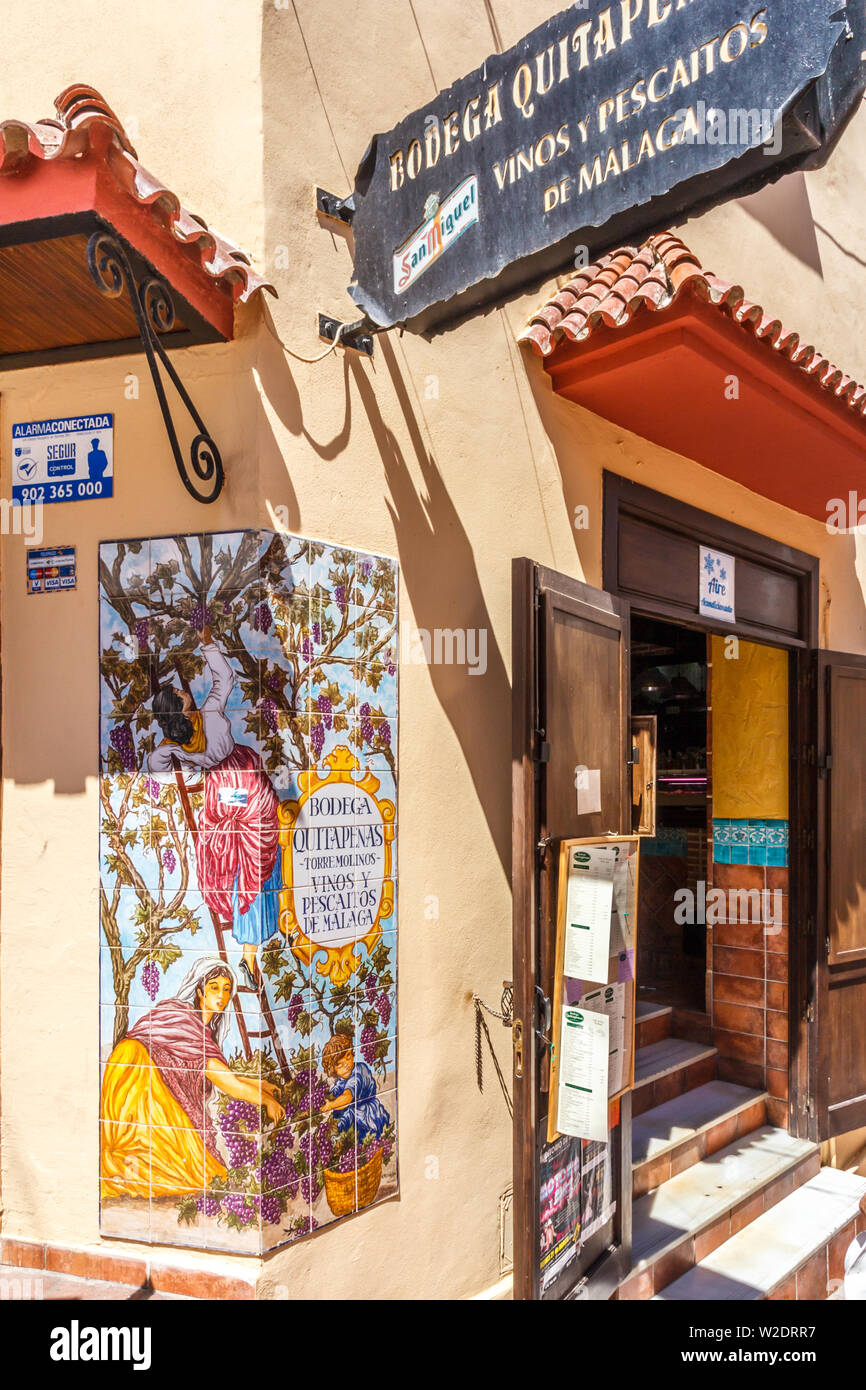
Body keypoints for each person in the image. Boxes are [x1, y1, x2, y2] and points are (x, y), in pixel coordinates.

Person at [147, 623, 281, 989]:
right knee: (257, 839)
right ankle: (250, 954)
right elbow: (225, 677)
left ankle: (250, 955)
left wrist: (187, 772)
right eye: (179, 693)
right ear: (180, 708)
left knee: (251, 847)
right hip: (238, 783)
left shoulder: (175, 743)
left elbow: (156, 767)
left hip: (223, 791)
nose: (183, 690)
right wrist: (208, 645)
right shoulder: (206, 715)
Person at [100, 957, 283, 1199]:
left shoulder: (194, 1026)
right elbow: (230, 1085)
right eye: (214, 988)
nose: (221, 995)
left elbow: (223, 1074)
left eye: (227, 989)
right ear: (200, 991)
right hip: (136, 1075)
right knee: (199, 1171)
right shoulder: (190, 1027)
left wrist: (259, 1084)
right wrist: (267, 1101)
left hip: (129, 1070)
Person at [319, 1032, 389, 1140]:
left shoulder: (359, 1071)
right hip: (351, 1120)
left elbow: (347, 1097)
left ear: (352, 1053)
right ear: (333, 1069)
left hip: (367, 1119)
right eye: (340, 1064)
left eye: (348, 1057)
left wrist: (331, 1105)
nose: (346, 1065)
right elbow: (334, 1094)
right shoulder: (341, 1080)